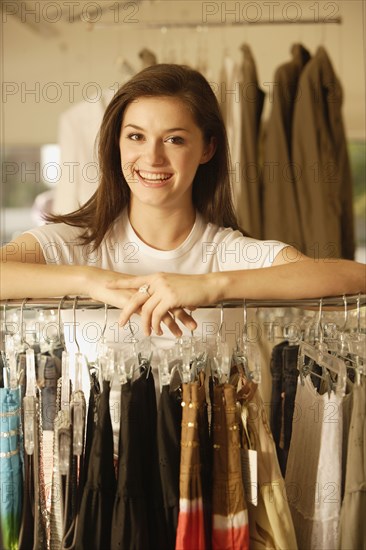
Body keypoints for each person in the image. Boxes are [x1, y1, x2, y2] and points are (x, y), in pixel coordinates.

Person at [1, 64, 365, 341]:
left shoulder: (228, 253)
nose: (152, 157)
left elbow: (356, 278)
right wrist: (89, 281)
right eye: (136, 137)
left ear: (207, 148)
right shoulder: (73, 245)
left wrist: (210, 286)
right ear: (116, 144)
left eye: (174, 140)